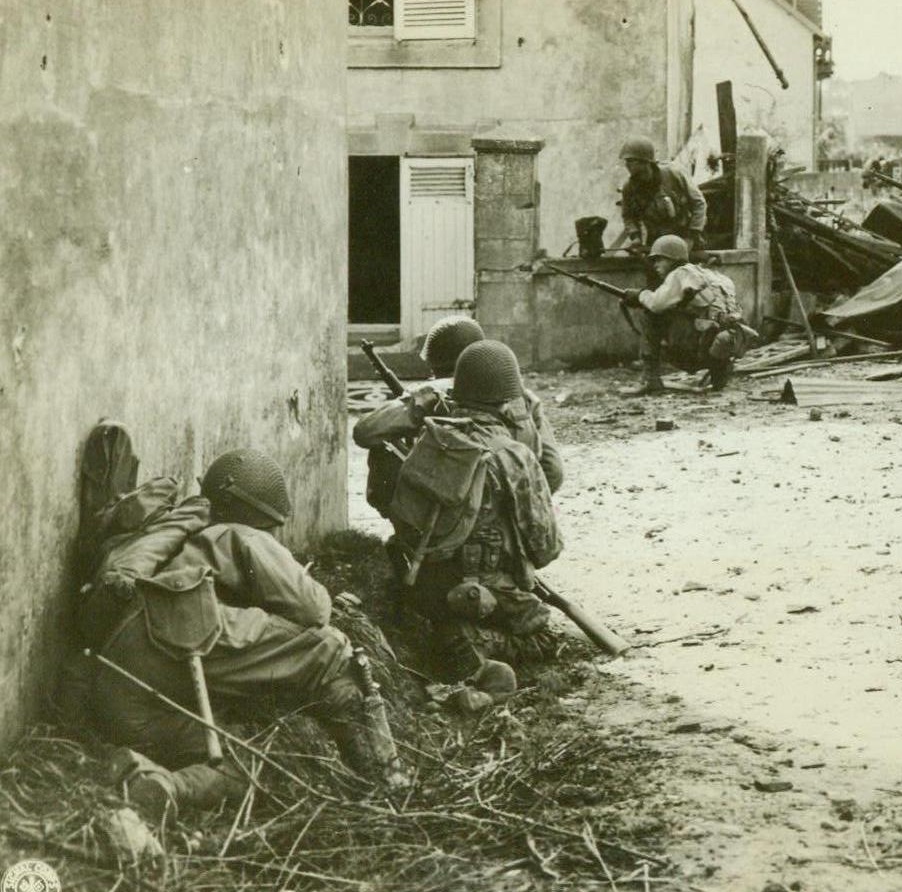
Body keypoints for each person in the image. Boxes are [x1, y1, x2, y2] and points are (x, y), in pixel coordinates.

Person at [81, 446, 403, 820]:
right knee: (329, 650)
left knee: (252, 753)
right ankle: (384, 781)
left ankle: (165, 785)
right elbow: (315, 609)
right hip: (170, 641)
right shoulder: (237, 535)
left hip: (125, 702)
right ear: (259, 513)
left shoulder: (174, 537)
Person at [391, 340, 563, 685]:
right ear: (507, 399)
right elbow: (546, 547)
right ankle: (471, 642)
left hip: (422, 578)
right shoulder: (515, 455)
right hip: (480, 589)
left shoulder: (432, 438)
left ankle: (443, 625)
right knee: (545, 636)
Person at [353, 316, 563, 516]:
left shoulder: (432, 393)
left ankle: (409, 532)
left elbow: (364, 432)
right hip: (516, 514)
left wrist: (413, 416)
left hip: (448, 517)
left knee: (384, 447)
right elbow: (553, 470)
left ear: (434, 361)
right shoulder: (523, 397)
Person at [621, 235, 754, 393]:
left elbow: (656, 304)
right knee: (712, 323)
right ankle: (719, 374)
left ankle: (650, 379)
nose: (655, 265)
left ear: (672, 258)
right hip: (725, 347)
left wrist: (640, 295)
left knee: (649, 314)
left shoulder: (680, 274)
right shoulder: (715, 276)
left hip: (694, 352)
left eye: (659, 259)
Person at [619, 136, 708, 256]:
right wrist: (635, 237)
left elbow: (699, 203)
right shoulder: (629, 187)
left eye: (631, 161)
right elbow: (628, 215)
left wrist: (692, 235)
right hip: (657, 242)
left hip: (685, 237)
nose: (627, 165)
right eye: (626, 161)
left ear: (645, 162)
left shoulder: (673, 173)